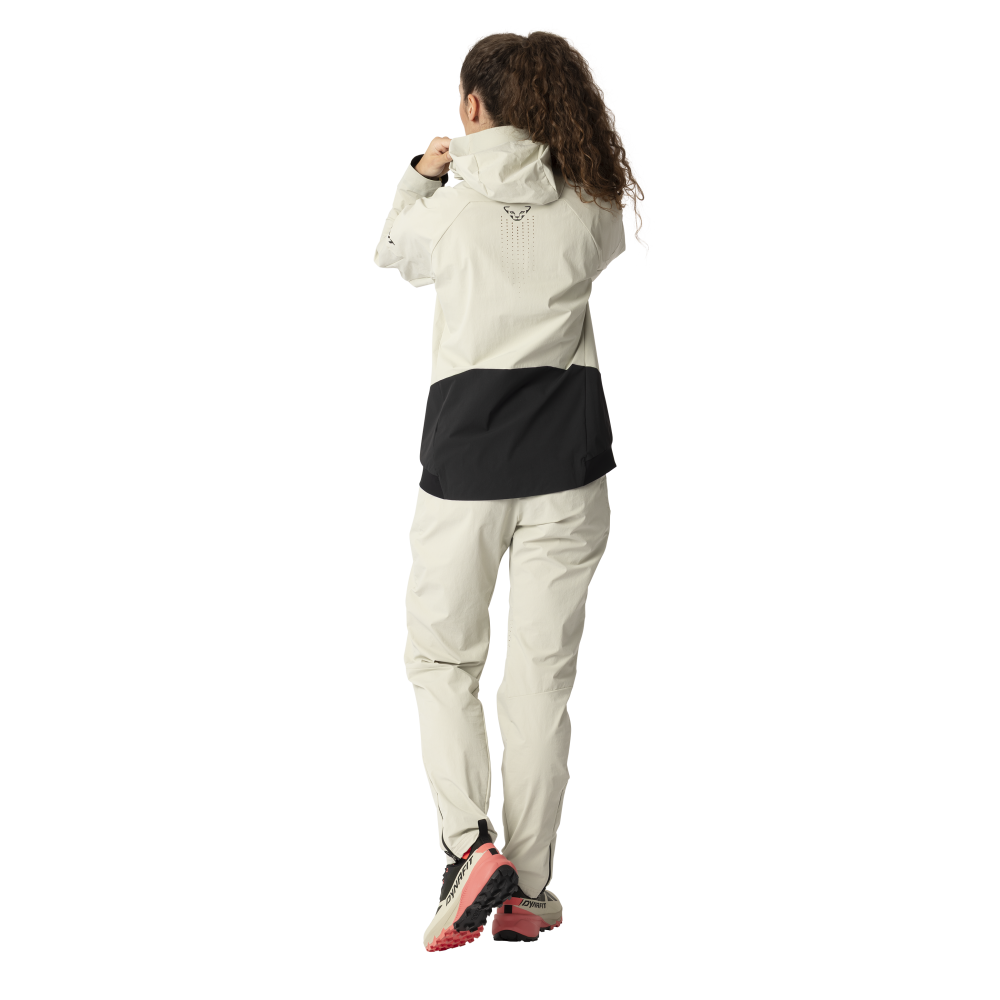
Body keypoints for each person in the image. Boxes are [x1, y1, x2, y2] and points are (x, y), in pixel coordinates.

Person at [372, 26, 655, 953]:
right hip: (570, 471)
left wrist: (423, 174)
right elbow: (582, 220)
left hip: (466, 472)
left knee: (442, 662)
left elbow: (391, 252)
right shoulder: (593, 208)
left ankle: (469, 853)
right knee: (541, 681)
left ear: (473, 106)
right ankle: (527, 889)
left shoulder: (449, 214)